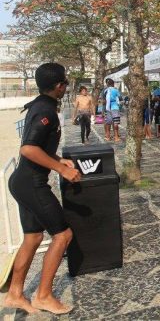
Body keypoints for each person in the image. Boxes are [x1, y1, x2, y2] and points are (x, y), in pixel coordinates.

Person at [4, 63, 81, 315]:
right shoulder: (44, 110)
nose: (65, 87)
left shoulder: (40, 105)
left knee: (34, 237)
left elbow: (39, 148)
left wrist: (58, 159)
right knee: (63, 235)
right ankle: (44, 296)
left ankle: (15, 294)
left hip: (22, 181)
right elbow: (28, 148)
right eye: (65, 83)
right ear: (59, 86)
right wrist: (62, 170)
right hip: (31, 183)